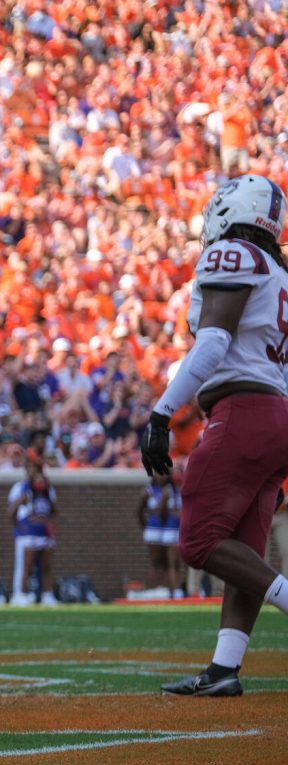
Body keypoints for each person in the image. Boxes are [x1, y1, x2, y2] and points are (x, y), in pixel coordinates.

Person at [140, 175, 288, 697]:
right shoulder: (277, 268)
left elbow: (215, 342)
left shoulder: (233, 252)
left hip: (243, 411)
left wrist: (162, 412)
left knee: (200, 541)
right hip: (276, 415)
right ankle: (224, 669)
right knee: (245, 555)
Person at [8, 459, 59, 607]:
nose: (32, 472)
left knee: (46, 566)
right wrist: (19, 528)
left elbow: (54, 511)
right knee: (25, 566)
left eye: (35, 469)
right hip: (27, 533)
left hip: (44, 532)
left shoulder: (47, 490)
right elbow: (10, 512)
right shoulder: (20, 488)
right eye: (29, 468)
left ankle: (47, 595)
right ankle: (19, 594)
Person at [138, 471, 182, 599]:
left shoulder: (173, 490)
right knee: (158, 564)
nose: (161, 476)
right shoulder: (150, 490)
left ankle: (168, 591)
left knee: (168, 563)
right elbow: (140, 512)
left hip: (167, 530)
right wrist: (147, 527)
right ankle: (155, 591)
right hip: (157, 530)